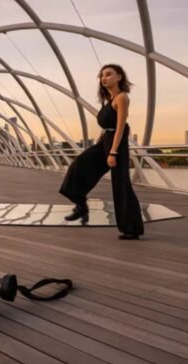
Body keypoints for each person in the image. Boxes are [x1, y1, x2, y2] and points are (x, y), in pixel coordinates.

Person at [59, 63, 145, 239]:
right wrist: (101, 141)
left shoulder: (122, 98)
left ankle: (132, 228)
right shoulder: (109, 100)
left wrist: (113, 152)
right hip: (104, 142)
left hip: (116, 144)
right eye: (102, 76)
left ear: (119, 77)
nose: (104, 78)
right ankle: (81, 204)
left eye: (108, 74)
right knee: (78, 165)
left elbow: (121, 126)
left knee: (121, 185)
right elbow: (108, 125)